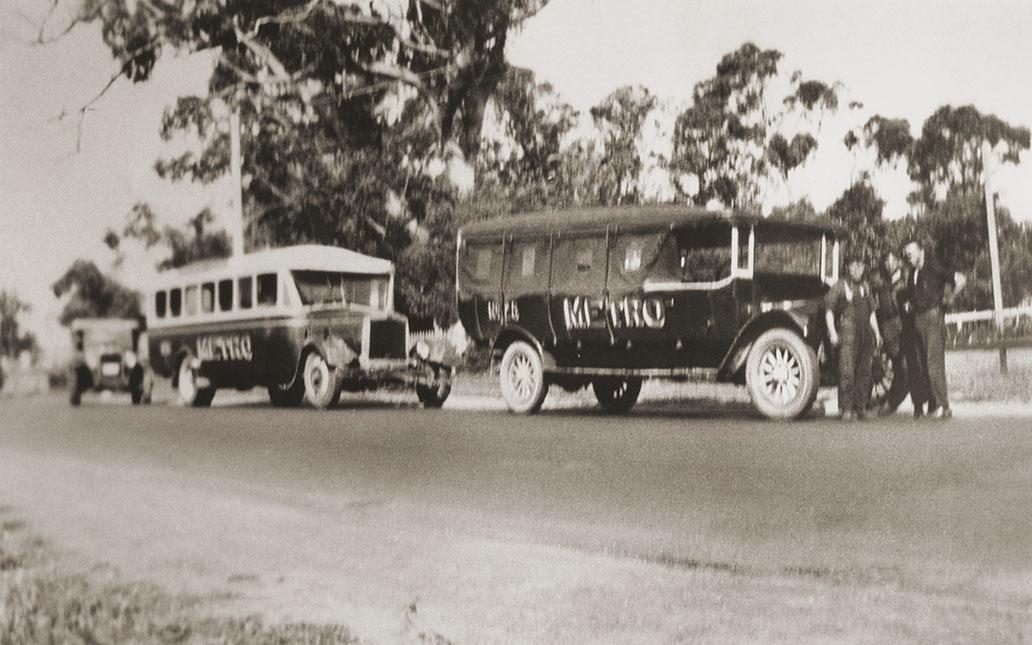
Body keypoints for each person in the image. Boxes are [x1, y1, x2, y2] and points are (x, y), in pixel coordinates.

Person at [902, 239, 965, 420]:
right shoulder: (912, 273)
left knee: (934, 364)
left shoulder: (934, 267)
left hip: (933, 318)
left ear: (921, 252)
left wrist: (950, 298)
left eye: (911, 253)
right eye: (906, 254)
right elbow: (915, 296)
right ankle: (930, 405)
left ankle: (945, 407)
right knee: (920, 365)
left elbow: (960, 280)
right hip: (918, 320)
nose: (908, 257)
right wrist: (910, 303)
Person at [825, 254, 883, 420]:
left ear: (864, 268)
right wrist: (833, 332)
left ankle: (861, 407)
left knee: (864, 372)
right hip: (848, 332)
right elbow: (829, 309)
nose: (857, 269)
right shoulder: (840, 286)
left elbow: (872, 312)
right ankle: (845, 409)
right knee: (847, 371)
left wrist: (877, 333)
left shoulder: (866, 286)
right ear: (848, 267)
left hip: (866, 333)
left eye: (860, 265)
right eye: (853, 265)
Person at [876, 249, 926, 415]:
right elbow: (876, 309)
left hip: (905, 325)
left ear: (898, 262)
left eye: (893, 260)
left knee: (910, 366)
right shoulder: (880, 284)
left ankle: (915, 403)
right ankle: (892, 402)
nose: (890, 263)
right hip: (888, 328)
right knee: (899, 367)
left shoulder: (907, 280)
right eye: (886, 260)